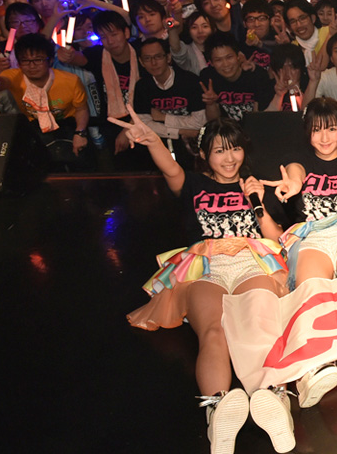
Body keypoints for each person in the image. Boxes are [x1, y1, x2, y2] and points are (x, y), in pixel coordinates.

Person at [119, 115, 295, 454]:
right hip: (206, 264)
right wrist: (153, 140)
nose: (230, 159)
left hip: (252, 260)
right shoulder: (193, 183)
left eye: (235, 149)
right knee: (213, 331)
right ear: (204, 154)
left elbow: (276, 238)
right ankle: (218, 411)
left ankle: (276, 399)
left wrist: (258, 202)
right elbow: (170, 169)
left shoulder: (256, 184)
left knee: (260, 324)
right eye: (219, 151)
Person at [263, 98, 337, 408]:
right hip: (313, 234)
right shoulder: (298, 158)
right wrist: (293, 183)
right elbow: (296, 171)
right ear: (308, 132)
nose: (325, 137)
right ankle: (313, 365)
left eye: (330, 128)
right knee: (311, 287)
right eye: (317, 130)